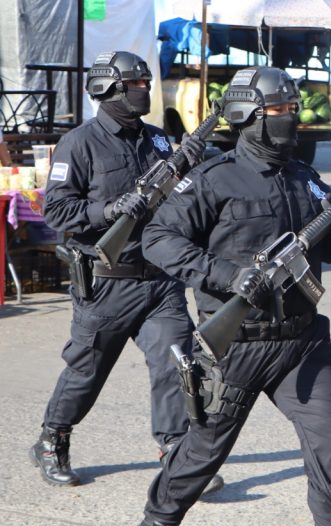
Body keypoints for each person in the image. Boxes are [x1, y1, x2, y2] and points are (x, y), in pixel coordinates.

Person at [126, 66, 331, 526]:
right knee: (203, 451)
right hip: (236, 345)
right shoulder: (212, 179)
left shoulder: (305, 176)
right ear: (248, 117)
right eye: (280, 111)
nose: (292, 118)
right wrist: (226, 276)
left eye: (293, 109)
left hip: (302, 343)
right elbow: (159, 240)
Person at [34, 51, 215, 490]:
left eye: (145, 83)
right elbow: (55, 209)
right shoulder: (80, 143)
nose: (144, 90)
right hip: (107, 283)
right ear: (108, 88)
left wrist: (195, 163)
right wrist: (110, 208)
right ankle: (53, 438)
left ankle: (175, 449)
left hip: (159, 281)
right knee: (86, 371)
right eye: (135, 84)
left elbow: (181, 199)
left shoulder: (155, 140)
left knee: (177, 364)